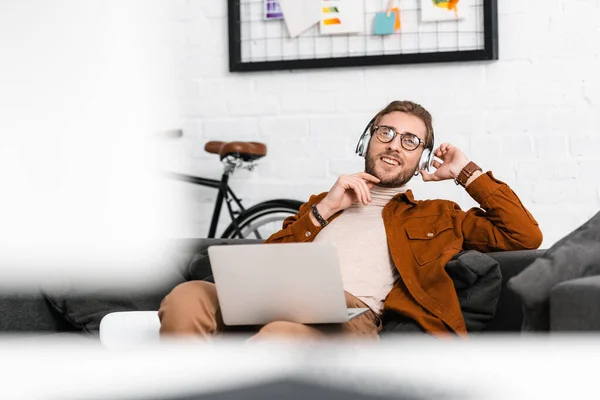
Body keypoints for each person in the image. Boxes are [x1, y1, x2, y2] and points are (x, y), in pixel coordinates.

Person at [159, 100, 543, 339]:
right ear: (367, 141)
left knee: (282, 335)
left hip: (350, 318)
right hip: (281, 297)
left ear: (423, 159)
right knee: (188, 296)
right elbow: (268, 261)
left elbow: (524, 236)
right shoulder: (322, 203)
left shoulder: (438, 215)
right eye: (386, 132)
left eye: (411, 141)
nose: (395, 144)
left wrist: (465, 172)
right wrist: (325, 208)